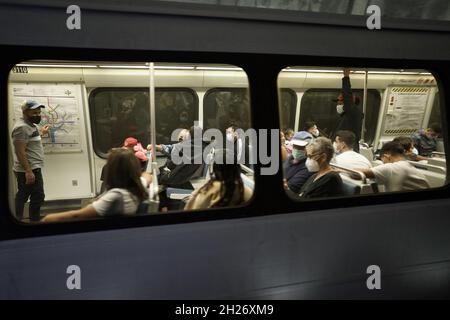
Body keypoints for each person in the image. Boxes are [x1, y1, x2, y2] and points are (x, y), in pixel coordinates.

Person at [42, 148, 149, 222]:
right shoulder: (136, 188)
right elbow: (147, 176)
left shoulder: (115, 196)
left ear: (113, 170)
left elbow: (76, 215)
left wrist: (48, 218)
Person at [11, 100, 50, 222]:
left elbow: (31, 141)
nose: (38, 115)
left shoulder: (30, 125)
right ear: (25, 112)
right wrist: (28, 171)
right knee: (29, 196)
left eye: (39, 112)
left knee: (34, 195)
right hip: (28, 169)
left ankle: (32, 219)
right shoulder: (21, 127)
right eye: (34, 112)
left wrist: (42, 133)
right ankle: (22, 220)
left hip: (33, 168)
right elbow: (19, 151)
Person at [184, 149, 252, 210]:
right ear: (237, 168)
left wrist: (194, 195)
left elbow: (193, 209)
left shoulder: (209, 189)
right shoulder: (244, 191)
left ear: (216, 168)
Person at [353, 141, 430, 192]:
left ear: (387, 156)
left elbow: (356, 173)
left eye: (383, 161)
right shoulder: (406, 165)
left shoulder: (393, 167)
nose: (384, 164)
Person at [331, 68, 363, 152]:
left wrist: (346, 77)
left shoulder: (352, 111)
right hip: (342, 148)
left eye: (340, 102)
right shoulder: (345, 115)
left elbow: (347, 94)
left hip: (349, 149)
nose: (338, 105)